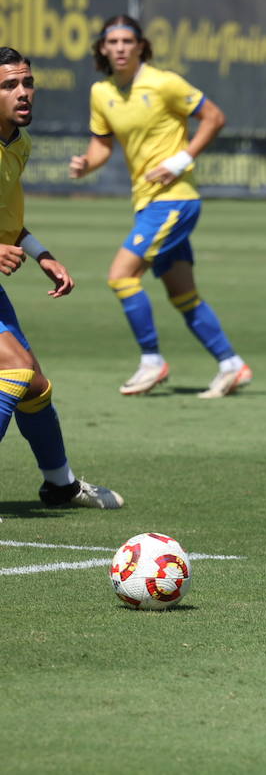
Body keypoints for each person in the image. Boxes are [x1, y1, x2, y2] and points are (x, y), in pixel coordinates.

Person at [70, 15, 251, 398]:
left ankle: (152, 361)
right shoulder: (101, 92)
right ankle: (231, 365)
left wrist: (181, 160)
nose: (120, 48)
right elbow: (102, 144)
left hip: (175, 199)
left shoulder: (164, 82)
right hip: (147, 201)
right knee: (183, 294)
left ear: (141, 47)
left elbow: (214, 117)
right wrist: (86, 164)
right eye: (112, 42)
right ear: (102, 48)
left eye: (127, 41)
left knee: (121, 276)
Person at [0, 47, 123, 509]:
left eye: (27, 82)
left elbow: (8, 220)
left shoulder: (18, 143)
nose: (23, 92)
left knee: (33, 385)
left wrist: (41, 254)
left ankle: (60, 485)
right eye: (9, 85)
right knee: (14, 370)